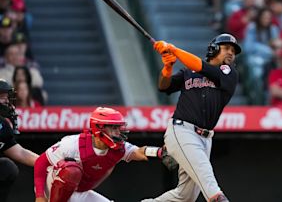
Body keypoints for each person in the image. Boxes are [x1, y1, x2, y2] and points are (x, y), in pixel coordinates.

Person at [142, 33, 242, 202]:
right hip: (182, 130)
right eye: (226, 48)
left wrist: (173, 49)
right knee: (211, 188)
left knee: (185, 196)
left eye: (233, 50)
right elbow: (164, 86)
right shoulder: (189, 72)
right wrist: (167, 68)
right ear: (214, 49)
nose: (231, 53)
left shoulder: (229, 73)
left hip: (205, 138)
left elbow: (202, 66)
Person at [34, 107, 177, 202]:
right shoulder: (73, 144)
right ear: (99, 128)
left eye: (118, 128)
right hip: (53, 188)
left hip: (80, 192)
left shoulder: (118, 148)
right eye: (113, 128)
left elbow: (138, 152)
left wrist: (159, 152)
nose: (118, 132)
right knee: (71, 170)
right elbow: (41, 163)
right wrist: (39, 196)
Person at [0, 79, 38, 201]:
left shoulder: (2, 125)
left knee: (7, 167)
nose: (6, 102)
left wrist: (49, 161)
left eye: (7, 97)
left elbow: (20, 153)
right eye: (2, 97)